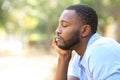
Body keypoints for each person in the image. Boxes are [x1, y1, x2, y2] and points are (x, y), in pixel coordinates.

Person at [52, 4, 120, 80]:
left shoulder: (99, 51)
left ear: (85, 30)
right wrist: (63, 57)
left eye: (64, 25)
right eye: (59, 25)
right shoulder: (80, 56)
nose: (57, 30)